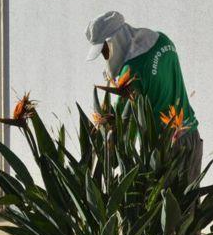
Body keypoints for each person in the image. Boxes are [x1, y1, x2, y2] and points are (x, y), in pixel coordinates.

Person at [85, 11, 203, 178]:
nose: (105, 58)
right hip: (191, 135)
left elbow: (122, 127)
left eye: (105, 51)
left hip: (166, 150)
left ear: (113, 41)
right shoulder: (163, 40)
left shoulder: (132, 72)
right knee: (190, 203)